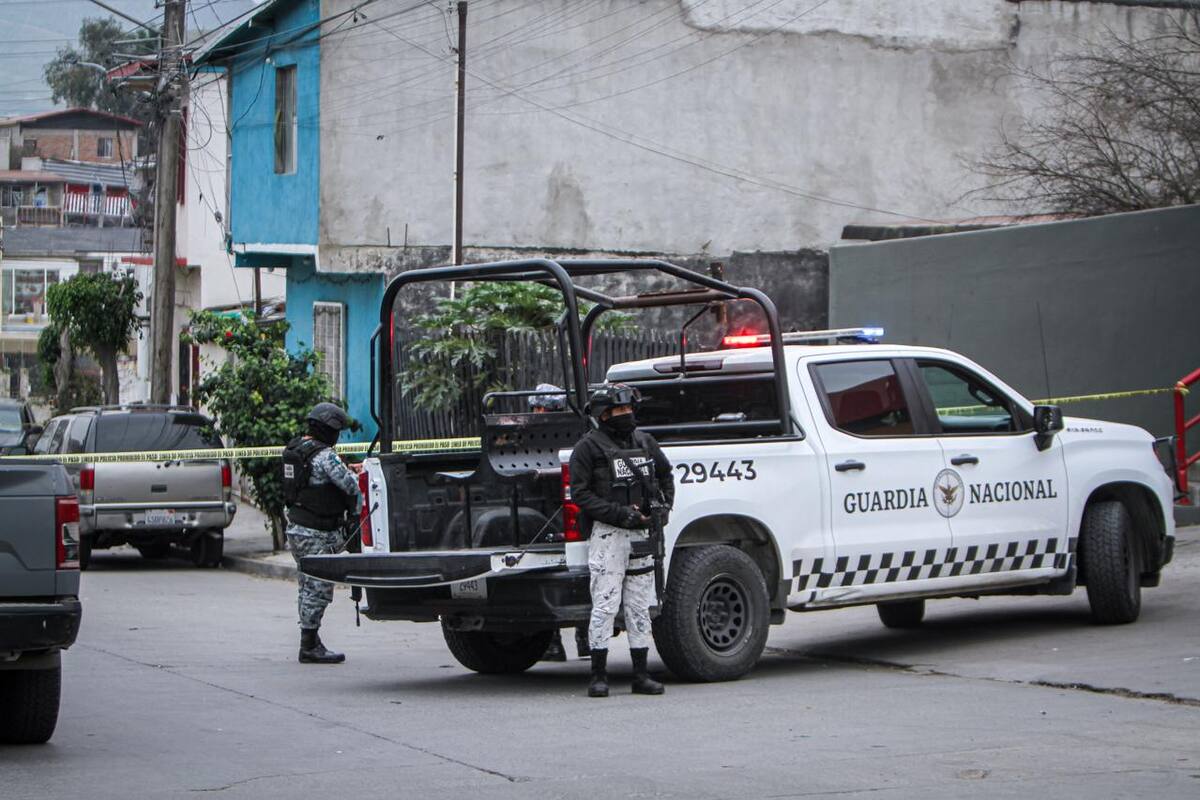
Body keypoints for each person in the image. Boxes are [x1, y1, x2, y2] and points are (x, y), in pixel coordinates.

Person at [569, 383, 674, 697]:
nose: (627, 415)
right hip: (608, 535)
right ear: (603, 415)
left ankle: (640, 675)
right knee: (604, 605)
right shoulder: (587, 448)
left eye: (629, 409)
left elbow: (666, 474)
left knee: (639, 607)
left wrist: (663, 508)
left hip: (642, 535)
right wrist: (619, 514)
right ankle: (598, 676)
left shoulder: (645, 442)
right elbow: (581, 494)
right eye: (619, 410)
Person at [281, 402, 363, 664]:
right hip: (317, 531)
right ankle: (308, 645)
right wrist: (355, 513)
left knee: (307, 586)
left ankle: (311, 639)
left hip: (296, 528)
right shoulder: (325, 455)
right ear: (329, 430)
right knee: (318, 587)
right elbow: (350, 487)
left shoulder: (296, 448)